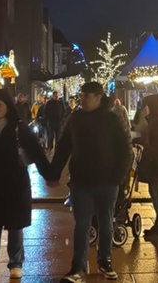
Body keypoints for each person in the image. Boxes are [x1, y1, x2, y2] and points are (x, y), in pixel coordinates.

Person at [51, 82, 132, 283]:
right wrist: (53, 173)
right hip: (82, 181)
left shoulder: (112, 119)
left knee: (106, 222)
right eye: (82, 95)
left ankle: (105, 261)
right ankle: (78, 267)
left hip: (107, 180)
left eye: (86, 96)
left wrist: (118, 176)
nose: (82, 99)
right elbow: (63, 147)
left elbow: (125, 150)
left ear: (98, 97)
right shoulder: (75, 119)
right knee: (82, 224)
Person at [0, 89, 55, 283]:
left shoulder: (19, 127)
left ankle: (16, 263)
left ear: (8, 105)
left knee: (15, 225)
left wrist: (49, 174)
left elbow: (36, 151)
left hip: (15, 182)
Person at [134, 95, 158, 239]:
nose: (145, 108)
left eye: (147, 105)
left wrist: (141, 142)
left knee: (157, 191)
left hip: (157, 162)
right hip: (153, 161)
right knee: (154, 191)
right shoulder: (155, 120)